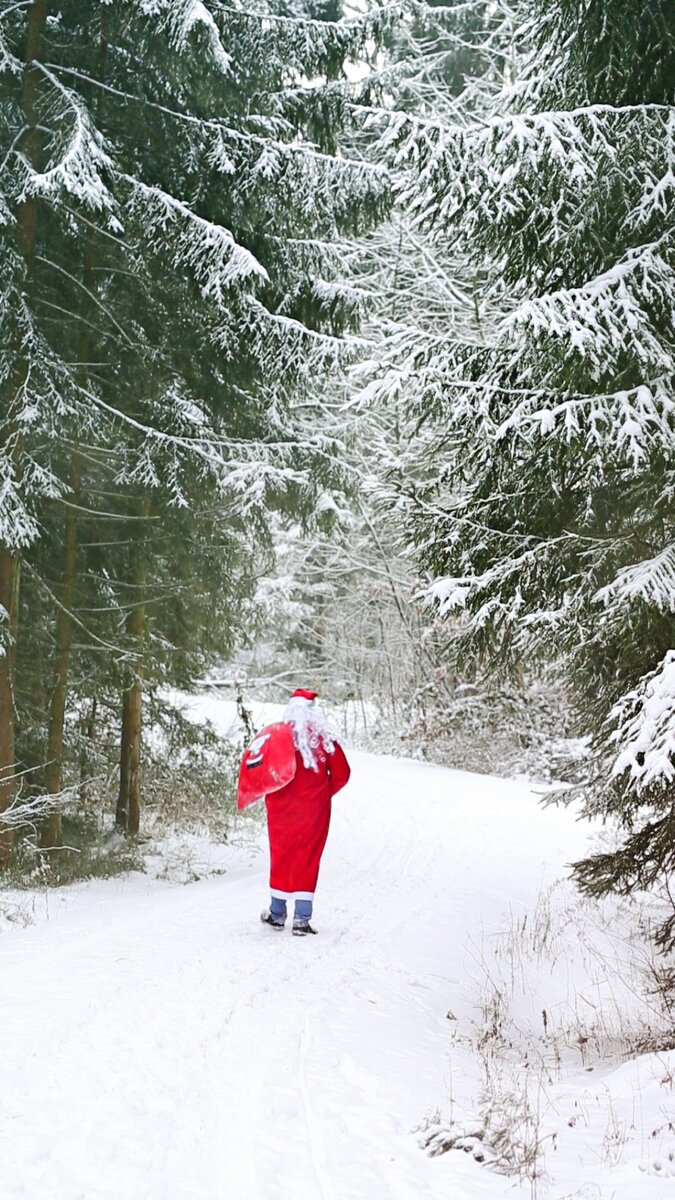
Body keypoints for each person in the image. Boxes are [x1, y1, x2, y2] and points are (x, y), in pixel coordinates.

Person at [261, 688, 351, 936]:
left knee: (280, 856)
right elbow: (342, 774)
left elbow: (263, 772)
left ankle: (277, 913)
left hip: (280, 810)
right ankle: (302, 918)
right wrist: (320, 794)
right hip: (314, 811)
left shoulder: (276, 737)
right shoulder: (324, 739)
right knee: (308, 857)